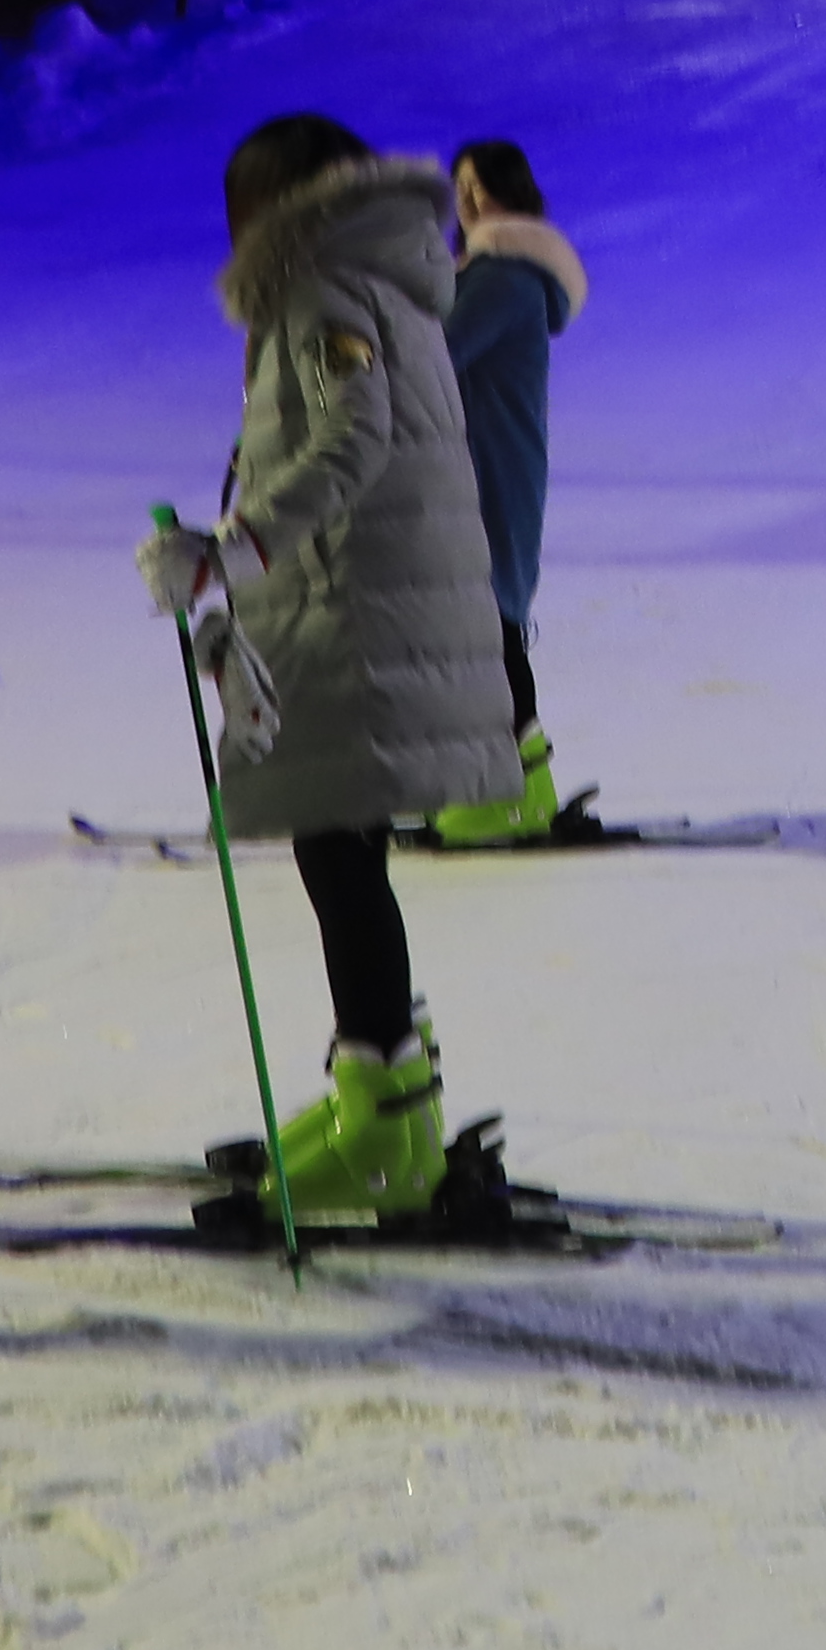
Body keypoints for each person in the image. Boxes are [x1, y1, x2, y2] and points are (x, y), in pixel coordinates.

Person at [133, 112, 526, 1227]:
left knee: (339, 856)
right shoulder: (388, 280)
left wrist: (232, 546)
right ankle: (379, 1089)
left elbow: (353, 439)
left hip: (350, 612)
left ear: (268, 212)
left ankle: (390, 1129)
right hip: (376, 602)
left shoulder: (319, 291)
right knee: (344, 854)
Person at [424, 137, 590, 848]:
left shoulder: (503, 274)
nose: (468, 199)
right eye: (459, 186)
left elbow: (432, 352)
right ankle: (505, 784)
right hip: (485, 470)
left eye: (481, 187)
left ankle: (512, 789)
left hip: (483, 474)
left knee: (483, 623)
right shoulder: (490, 272)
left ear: (512, 193)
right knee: (484, 622)